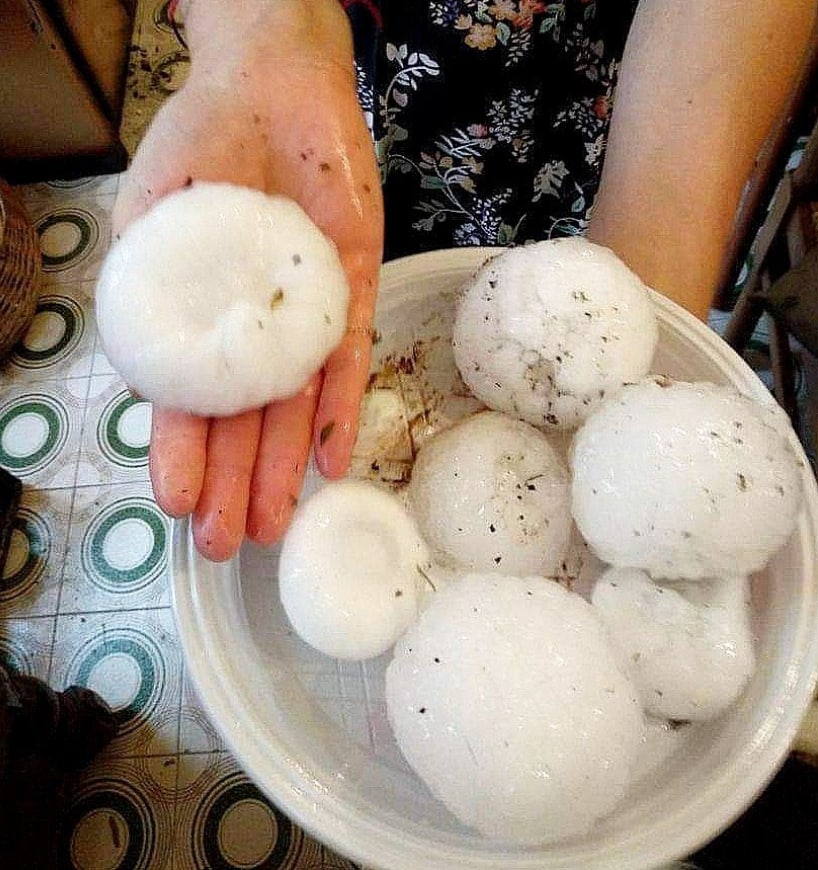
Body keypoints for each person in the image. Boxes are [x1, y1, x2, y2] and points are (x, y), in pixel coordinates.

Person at [113, 0, 816, 561]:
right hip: (336, 116)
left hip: (605, 99)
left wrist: (638, 268)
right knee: (362, 312)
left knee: (559, 330)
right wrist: (258, 27)